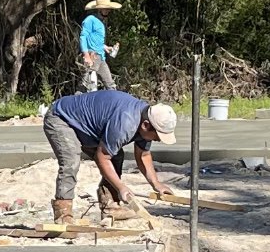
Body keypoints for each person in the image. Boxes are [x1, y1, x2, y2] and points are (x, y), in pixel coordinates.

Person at [43, 88, 177, 224]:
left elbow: (143, 155)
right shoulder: (126, 123)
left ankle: (110, 205)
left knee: (116, 156)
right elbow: (102, 157)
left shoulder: (146, 120)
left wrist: (156, 184)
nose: (158, 140)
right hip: (61, 118)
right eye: (158, 136)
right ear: (146, 125)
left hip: (89, 127)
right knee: (71, 160)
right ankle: (63, 214)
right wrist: (121, 187)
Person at [80, 0, 123, 89]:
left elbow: (95, 39)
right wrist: (86, 55)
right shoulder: (90, 20)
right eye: (105, 9)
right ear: (99, 9)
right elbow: (83, 37)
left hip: (101, 57)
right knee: (86, 85)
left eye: (108, 9)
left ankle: (114, 102)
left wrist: (105, 47)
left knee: (110, 84)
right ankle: (75, 102)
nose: (108, 11)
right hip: (92, 56)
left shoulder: (102, 22)